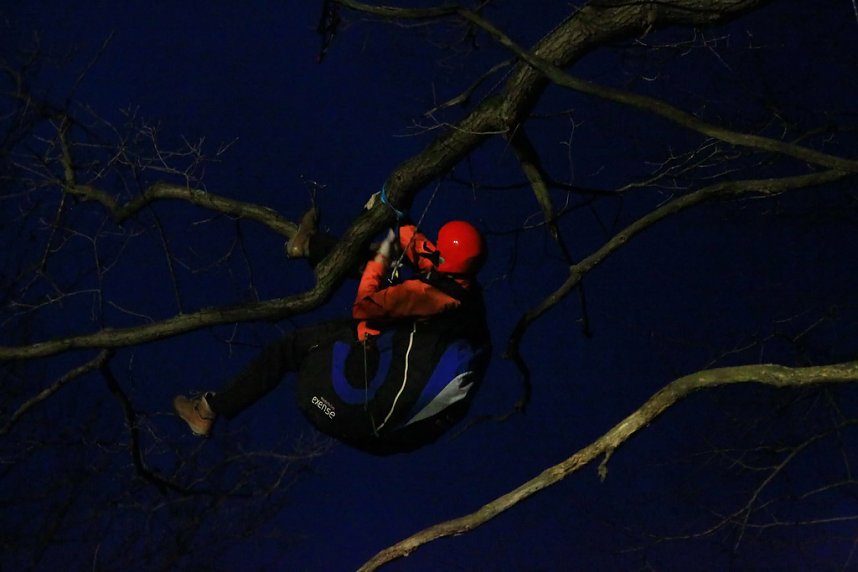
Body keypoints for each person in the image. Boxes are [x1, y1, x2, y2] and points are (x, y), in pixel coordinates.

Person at [173, 210, 491, 455]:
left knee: (293, 347)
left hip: (362, 405)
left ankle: (207, 410)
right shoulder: (465, 296)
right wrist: (400, 221)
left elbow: (365, 306)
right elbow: (428, 255)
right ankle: (309, 245)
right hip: (392, 437)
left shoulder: (431, 295)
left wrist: (382, 255)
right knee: (383, 270)